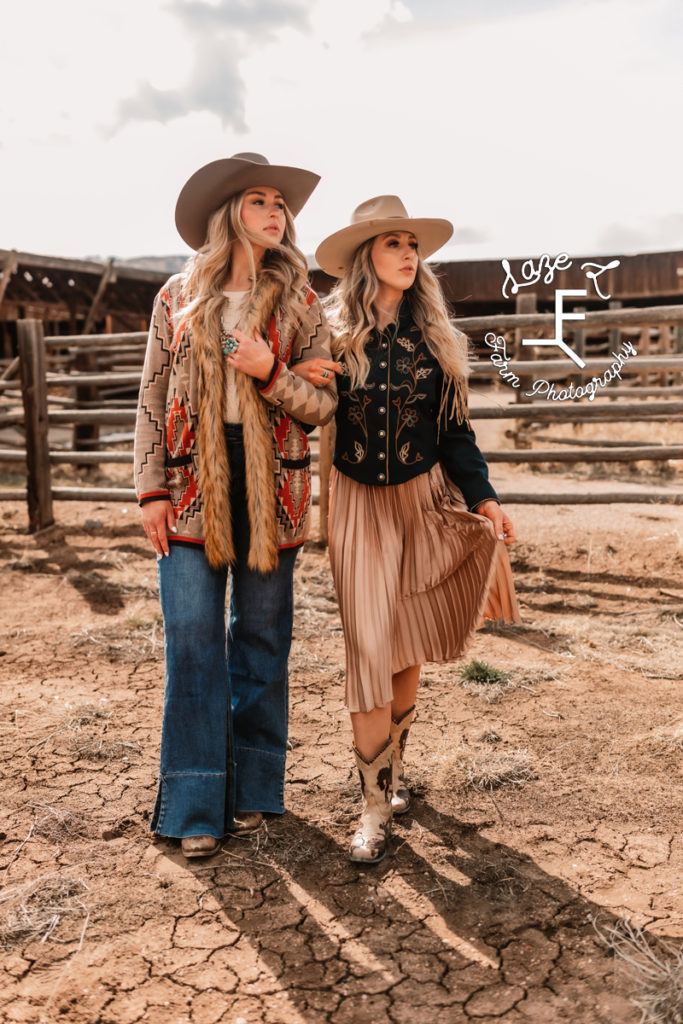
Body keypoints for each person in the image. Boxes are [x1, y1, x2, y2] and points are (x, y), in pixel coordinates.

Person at [297, 195, 519, 864]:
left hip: (422, 499)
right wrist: (299, 377)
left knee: (405, 645)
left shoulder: (437, 340)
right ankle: (370, 808)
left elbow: (456, 434)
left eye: (411, 244)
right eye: (392, 243)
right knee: (368, 649)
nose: (406, 253)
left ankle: (390, 779)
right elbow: (305, 414)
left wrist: (484, 500)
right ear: (366, 257)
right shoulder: (328, 333)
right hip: (358, 504)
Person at [134, 153, 337, 859]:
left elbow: (321, 406)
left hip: (274, 489)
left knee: (260, 640)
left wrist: (272, 372)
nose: (275, 213)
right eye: (259, 201)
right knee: (193, 643)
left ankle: (251, 788)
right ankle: (193, 802)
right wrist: (148, 489)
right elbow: (153, 397)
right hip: (190, 487)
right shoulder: (174, 298)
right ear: (229, 214)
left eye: (280, 203)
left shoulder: (302, 302)